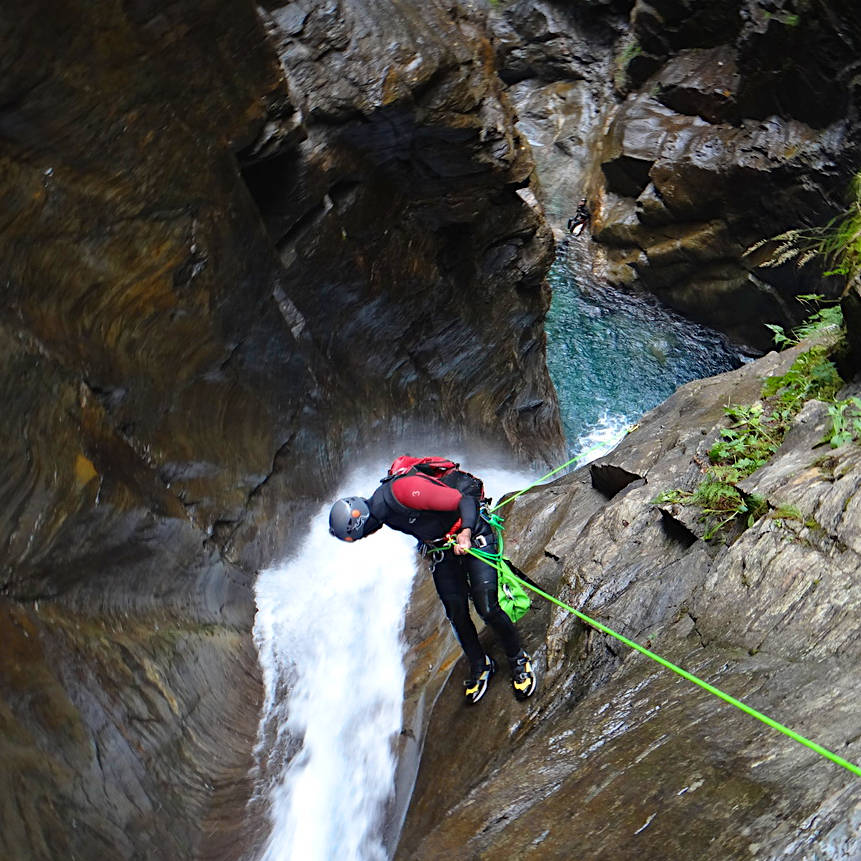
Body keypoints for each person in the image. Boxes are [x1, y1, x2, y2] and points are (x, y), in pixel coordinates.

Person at [328, 460, 537, 705]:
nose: (365, 537)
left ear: (362, 522)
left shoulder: (403, 492)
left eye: (360, 535)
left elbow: (464, 501)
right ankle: (481, 665)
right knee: (456, 612)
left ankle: (518, 659)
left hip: (472, 532)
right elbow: (421, 525)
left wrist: (466, 533)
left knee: (487, 606)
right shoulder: (383, 513)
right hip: (442, 548)